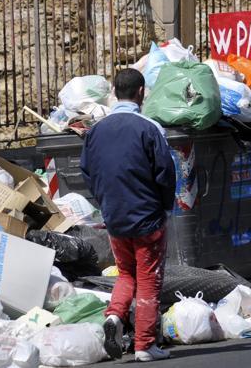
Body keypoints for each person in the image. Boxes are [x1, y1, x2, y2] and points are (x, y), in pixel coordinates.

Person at [80, 68, 176, 362]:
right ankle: (145, 344)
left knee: (126, 274)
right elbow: (165, 172)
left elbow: (87, 170)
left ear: (114, 92)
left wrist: (106, 201)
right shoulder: (149, 128)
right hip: (147, 216)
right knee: (148, 278)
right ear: (141, 92)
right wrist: (165, 207)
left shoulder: (96, 130)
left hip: (115, 216)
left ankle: (114, 317)